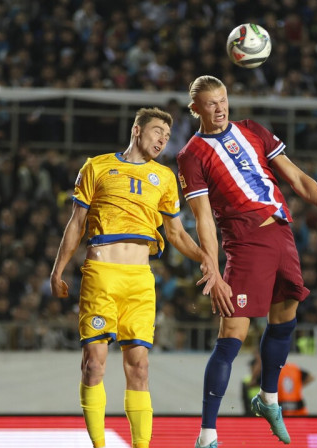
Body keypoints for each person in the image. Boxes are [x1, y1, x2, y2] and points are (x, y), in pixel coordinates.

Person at [177, 75, 317, 447]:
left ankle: (268, 399)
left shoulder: (253, 130)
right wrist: (212, 268)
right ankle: (207, 433)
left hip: (281, 231)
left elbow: (295, 177)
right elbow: (202, 219)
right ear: (195, 108)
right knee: (233, 335)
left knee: (286, 316)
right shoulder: (191, 155)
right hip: (245, 243)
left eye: (223, 100)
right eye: (211, 104)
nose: (220, 109)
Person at [50, 107, 228, 448]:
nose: (163, 139)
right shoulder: (96, 166)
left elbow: (176, 233)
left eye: (167, 134)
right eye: (157, 130)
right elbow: (76, 224)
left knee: (140, 367)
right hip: (101, 274)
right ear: (136, 130)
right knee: (94, 365)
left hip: (141, 280)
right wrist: (58, 269)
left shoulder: (164, 178)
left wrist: (206, 257)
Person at [242, 355, 314, 417]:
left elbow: (252, 383)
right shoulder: (294, 368)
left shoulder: (271, 371)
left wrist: (259, 363)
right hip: (298, 410)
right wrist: (297, 386)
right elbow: (311, 377)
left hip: (280, 412)